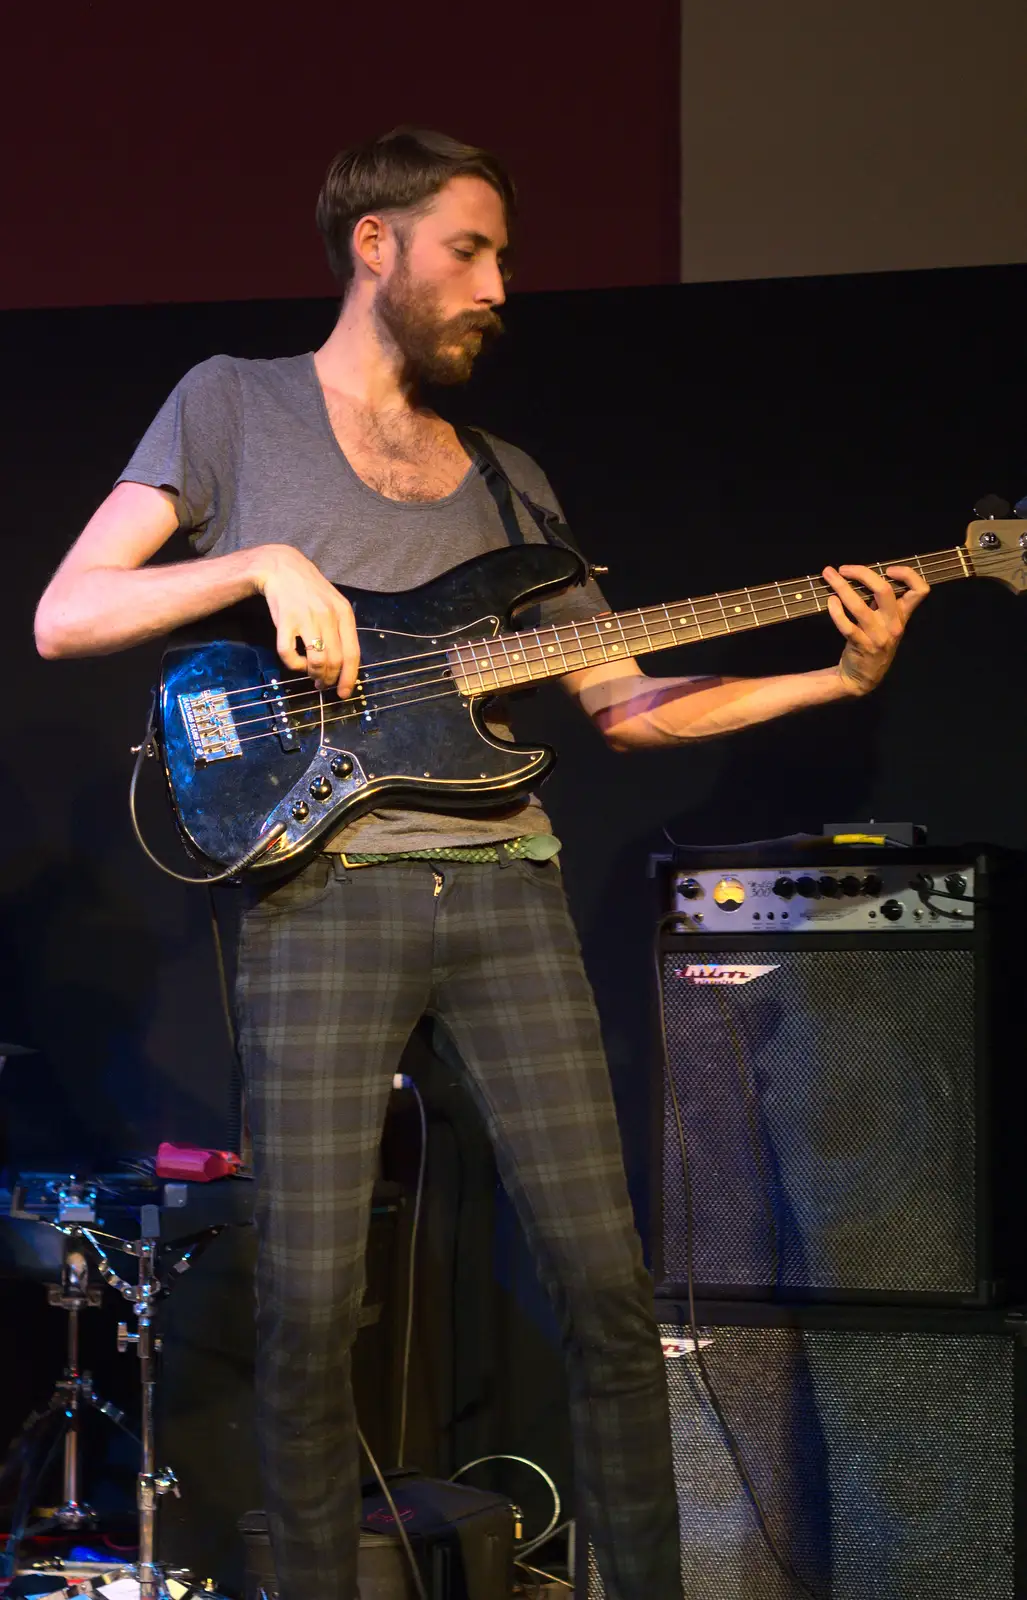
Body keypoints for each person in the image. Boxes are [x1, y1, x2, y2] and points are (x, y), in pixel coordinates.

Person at [33, 127, 929, 1600]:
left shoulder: (508, 487)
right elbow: (68, 614)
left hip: (505, 889)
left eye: (504, 257)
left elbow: (629, 703)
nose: (499, 284)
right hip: (325, 897)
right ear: (373, 244)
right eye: (471, 249)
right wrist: (262, 564)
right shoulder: (232, 408)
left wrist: (835, 679)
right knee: (314, 1306)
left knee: (601, 1281)